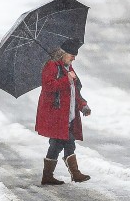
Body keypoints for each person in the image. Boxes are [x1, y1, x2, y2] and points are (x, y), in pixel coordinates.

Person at [35, 38, 91, 185]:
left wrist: (83, 105)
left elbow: (75, 91)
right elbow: (48, 87)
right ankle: (75, 173)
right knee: (68, 142)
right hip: (56, 115)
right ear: (63, 54)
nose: (74, 58)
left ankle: (47, 176)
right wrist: (66, 79)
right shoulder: (52, 66)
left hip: (68, 115)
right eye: (72, 55)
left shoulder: (67, 68)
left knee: (57, 144)